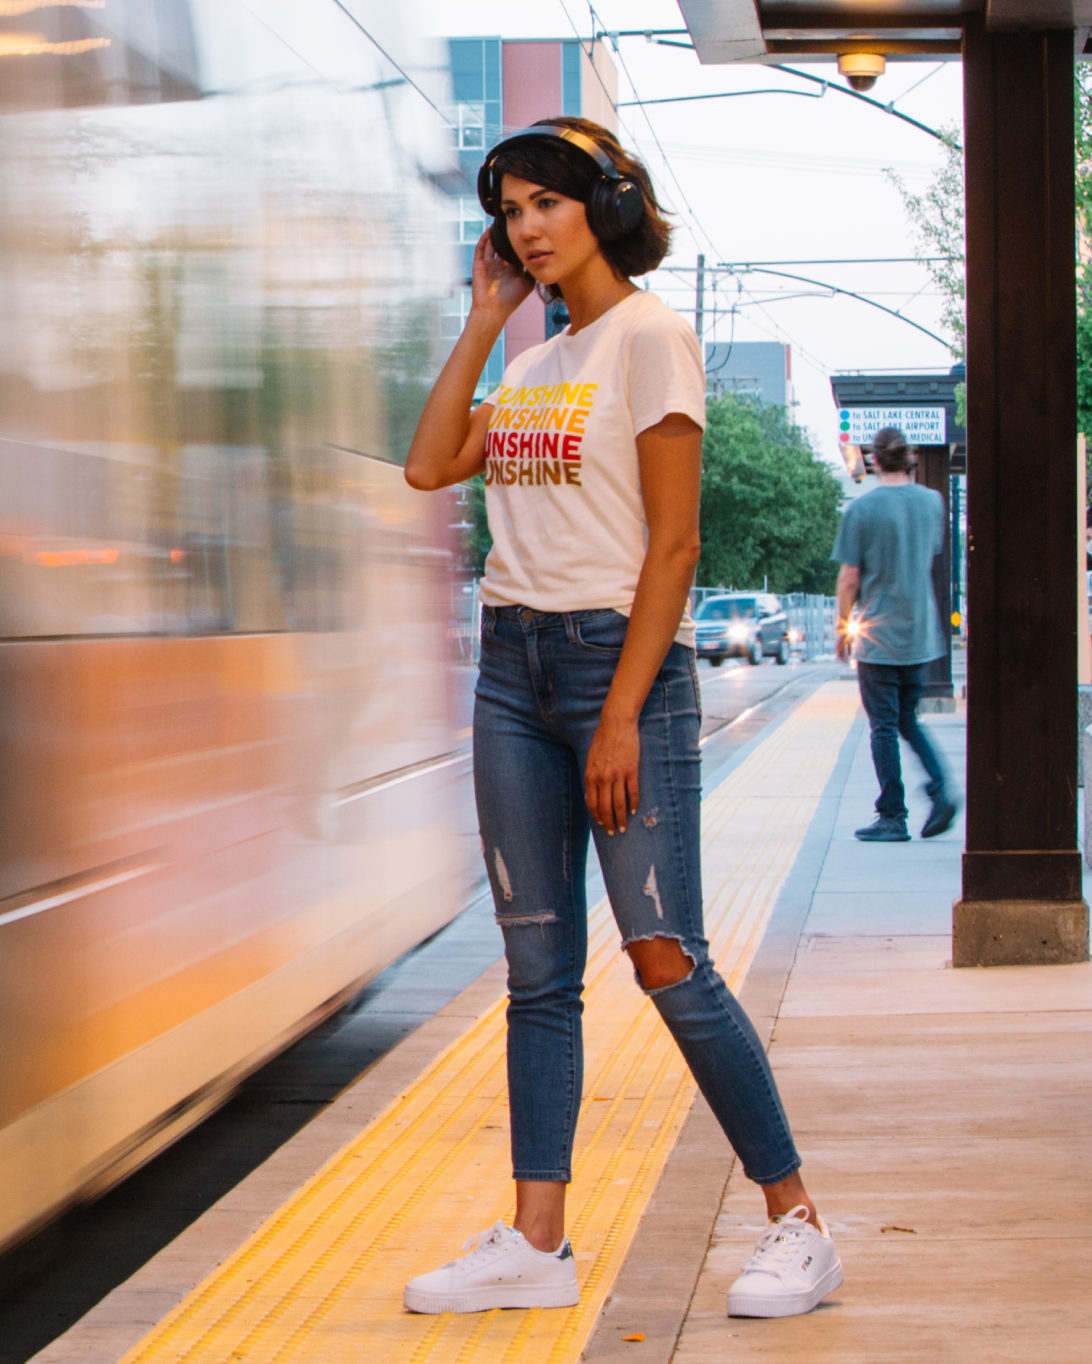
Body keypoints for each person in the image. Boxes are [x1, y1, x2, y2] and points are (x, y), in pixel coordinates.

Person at [401, 117, 842, 1322]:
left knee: (668, 957)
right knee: (538, 969)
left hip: (611, 672)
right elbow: (429, 463)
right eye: (511, 209)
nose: (528, 226)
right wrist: (486, 320)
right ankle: (536, 1244)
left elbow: (678, 543)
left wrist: (623, 715)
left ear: (605, 203)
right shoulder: (538, 365)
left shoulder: (651, 336)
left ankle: (797, 1220)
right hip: (509, 669)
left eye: (547, 201)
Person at [834, 426, 958, 842]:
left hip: (878, 637)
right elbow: (930, 556)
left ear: (873, 458)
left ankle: (892, 815)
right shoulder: (932, 502)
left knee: (883, 726)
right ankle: (941, 788)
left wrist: (842, 630)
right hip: (921, 634)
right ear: (909, 458)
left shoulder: (862, 510)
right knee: (908, 719)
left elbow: (849, 578)